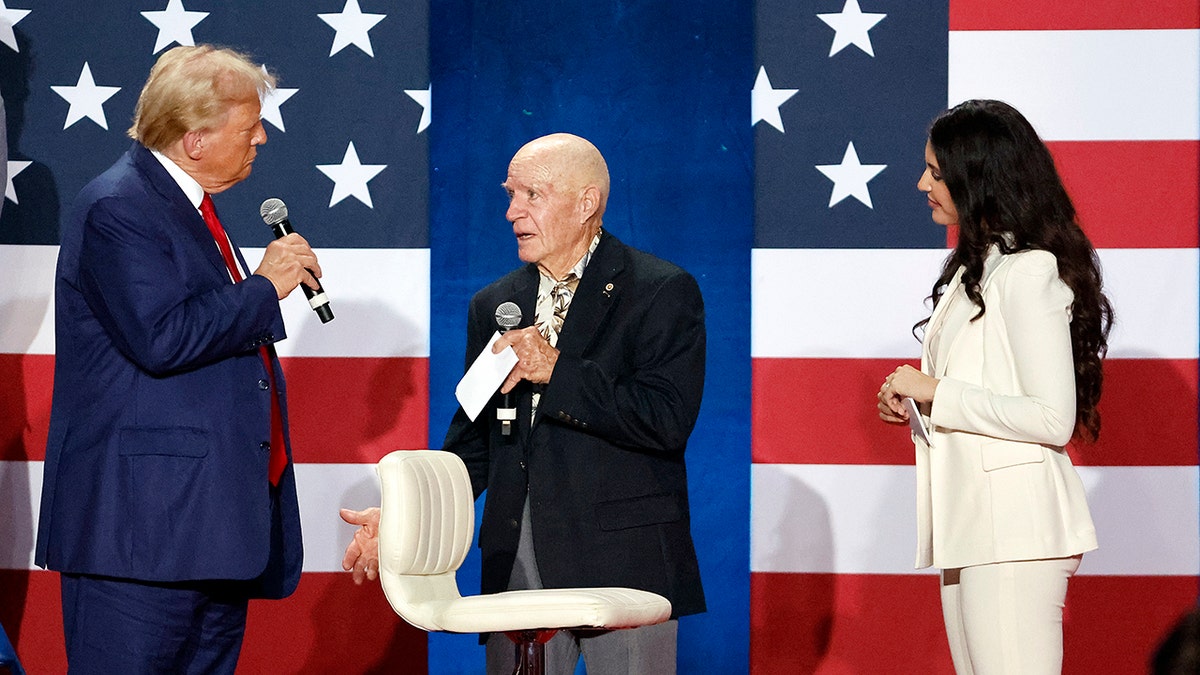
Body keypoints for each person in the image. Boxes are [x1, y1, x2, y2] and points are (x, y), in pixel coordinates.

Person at [342, 132, 706, 674]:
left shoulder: (658, 290)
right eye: (510, 195)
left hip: (624, 559)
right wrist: (403, 518)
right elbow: (472, 446)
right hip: (518, 555)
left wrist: (556, 370)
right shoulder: (495, 304)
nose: (513, 212)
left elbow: (665, 420)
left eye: (531, 195)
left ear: (587, 203)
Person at [35, 45, 321, 673]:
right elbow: (162, 338)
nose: (263, 138)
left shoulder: (190, 210)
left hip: (206, 532)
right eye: (249, 127)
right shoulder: (119, 207)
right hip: (141, 537)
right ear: (195, 140)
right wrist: (264, 287)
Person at [875, 99, 1113, 673]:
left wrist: (937, 391)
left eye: (935, 171)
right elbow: (979, 393)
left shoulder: (1028, 270)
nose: (921, 183)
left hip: (1016, 531)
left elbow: (1052, 417)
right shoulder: (972, 269)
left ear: (976, 175)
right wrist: (913, 401)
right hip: (974, 528)